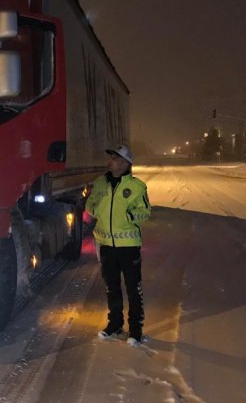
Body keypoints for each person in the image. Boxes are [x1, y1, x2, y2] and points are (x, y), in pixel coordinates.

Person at [85, 144, 151, 346]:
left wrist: (129, 215)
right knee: (111, 287)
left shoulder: (137, 187)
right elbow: (90, 205)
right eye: (111, 157)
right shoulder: (100, 183)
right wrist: (96, 211)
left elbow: (145, 212)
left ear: (124, 163)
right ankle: (114, 325)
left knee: (133, 288)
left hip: (128, 246)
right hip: (106, 244)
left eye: (114, 158)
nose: (110, 160)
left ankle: (136, 331)